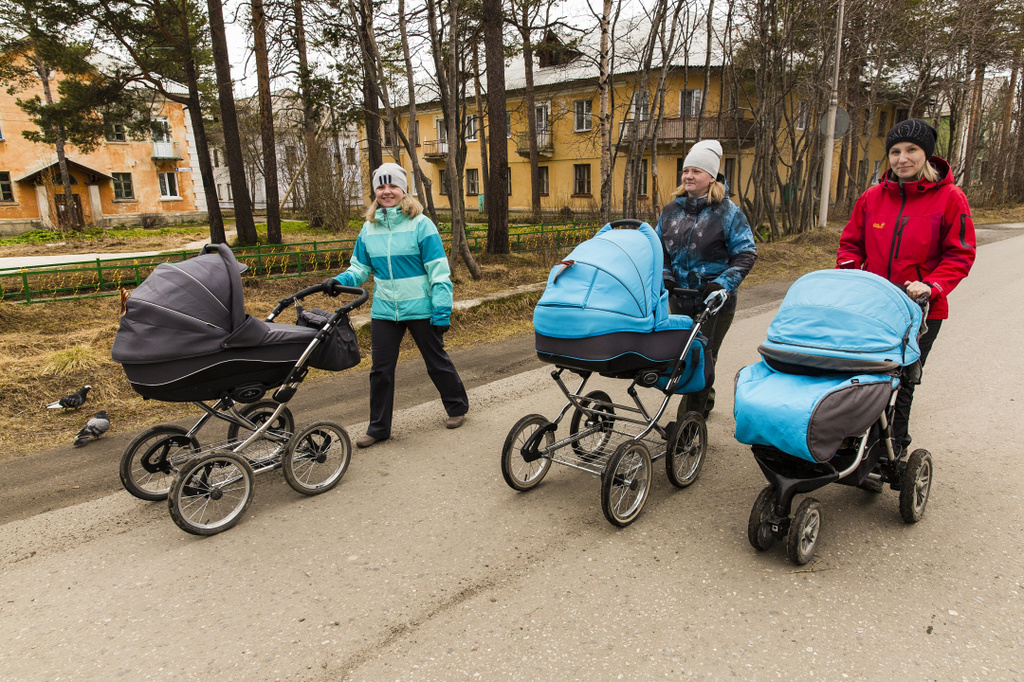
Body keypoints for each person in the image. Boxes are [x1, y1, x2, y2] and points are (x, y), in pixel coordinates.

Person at [837, 118, 976, 454]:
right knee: (859, 375)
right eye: (895, 151)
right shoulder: (872, 197)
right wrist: (852, 273)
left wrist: (931, 285)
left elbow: (960, 253)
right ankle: (849, 440)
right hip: (872, 307)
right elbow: (850, 244)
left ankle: (892, 447)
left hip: (921, 309)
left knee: (903, 380)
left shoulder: (950, 198)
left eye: (911, 150)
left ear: (926, 155)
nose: (902, 158)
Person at [324, 162, 469, 448]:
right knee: (380, 370)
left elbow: (439, 272)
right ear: (375, 191)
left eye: (393, 186)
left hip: (420, 308)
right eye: (381, 186)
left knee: (435, 361)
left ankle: (457, 407)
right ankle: (378, 428)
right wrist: (339, 280)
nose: (387, 192)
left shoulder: (421, 225)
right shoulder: (369, 227)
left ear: (404, 190)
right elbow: (361, 268)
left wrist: (441, 310)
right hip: (385, 310)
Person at [656, 139, 757, 418]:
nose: (688, 175)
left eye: (696, 171)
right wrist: (665, 275)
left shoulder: (729, 213)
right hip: (680, 297)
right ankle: (704, 400)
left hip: (715, 300)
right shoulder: (670, 211)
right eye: (686, 170)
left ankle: (688, 422)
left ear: (711, 177)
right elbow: (658, 249)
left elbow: (746, 254)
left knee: (701, 356)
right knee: (684, 354)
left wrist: (723, 284)